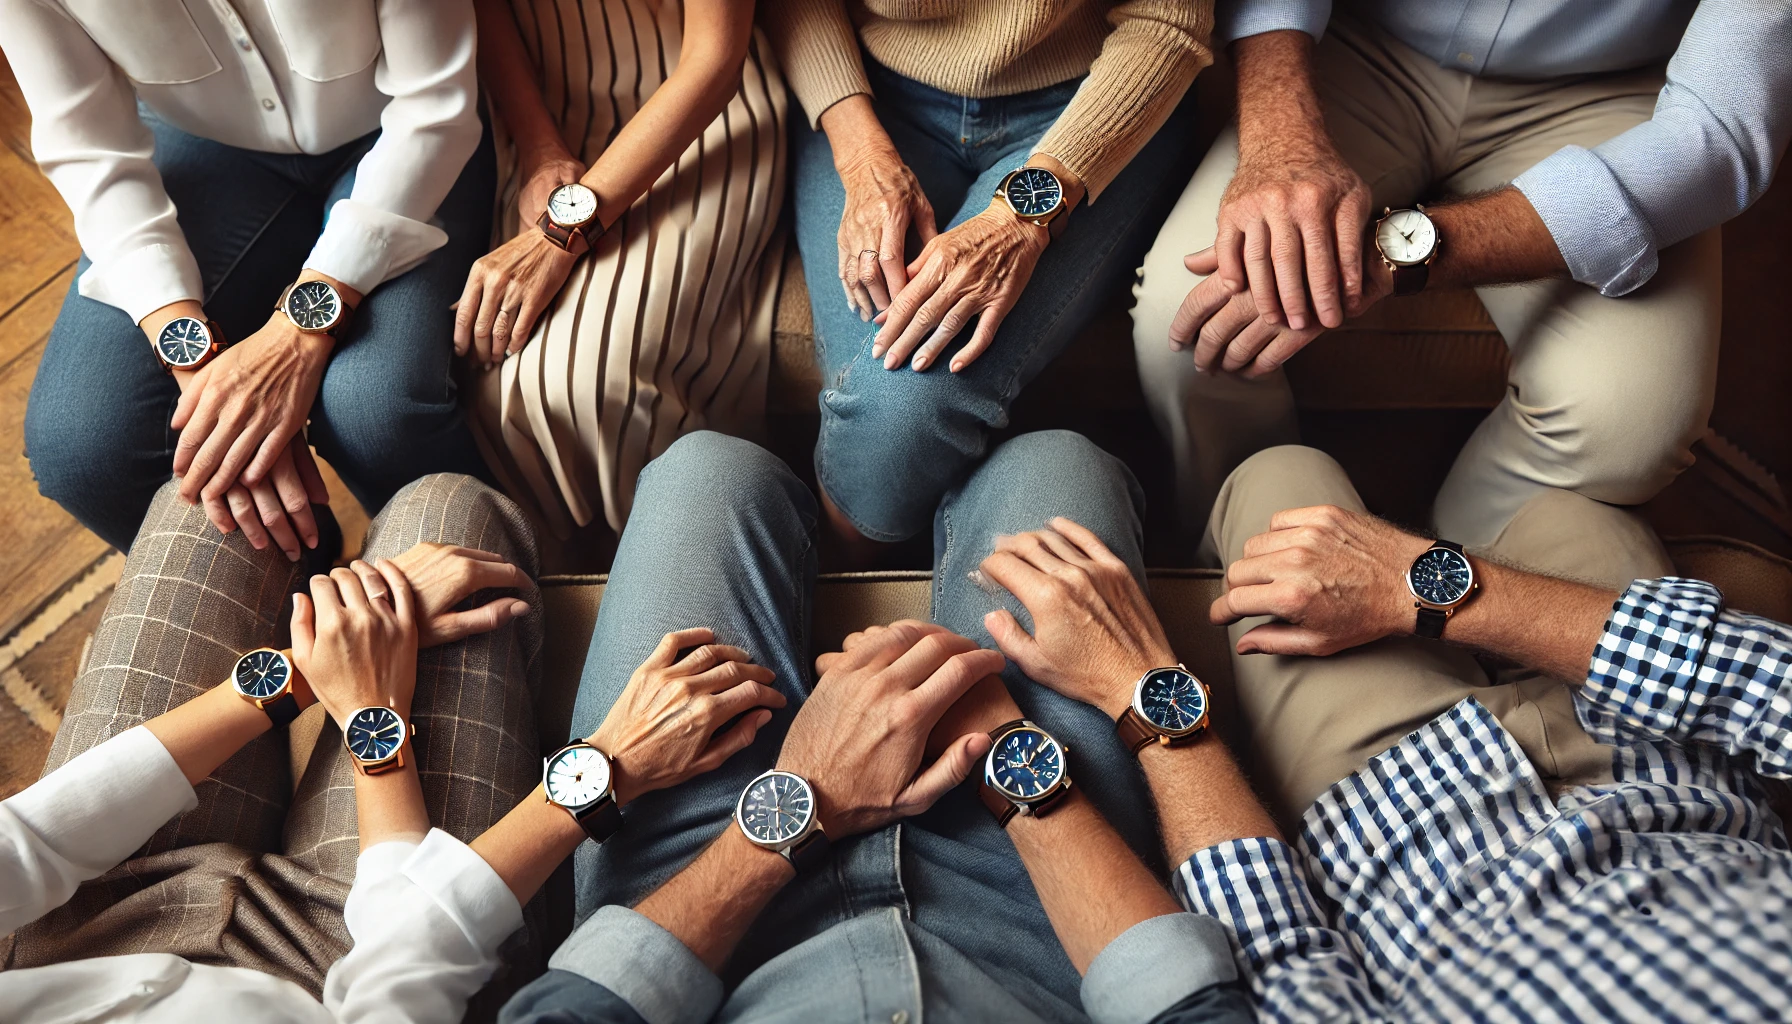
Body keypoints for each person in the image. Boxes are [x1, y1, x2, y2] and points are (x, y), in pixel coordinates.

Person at [986, 440, 1792, 1021]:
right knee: (1573, 507)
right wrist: (1427, 587)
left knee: (1282, 473)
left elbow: (1282, 965)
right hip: (1673, 757)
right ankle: (1439, 530)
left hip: (1405, 822)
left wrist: (1152, 694)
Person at [498, 430, 1258, 1023]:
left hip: (704, 911)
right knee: (1054, 461)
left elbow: (573, 1007)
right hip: (1055, 917)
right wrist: (1015, 765)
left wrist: (805, 801)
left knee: (708, 471)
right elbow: (1190, 1004)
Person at [0, 467, 797, 1022]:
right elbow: (405, 979)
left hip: (72, 924)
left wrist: (307, 673)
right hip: (351, 976)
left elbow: (24, 843)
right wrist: (603, 772)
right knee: (447, 507)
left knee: (210, 494)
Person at [1131, 0, 1792, 548]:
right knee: (1187, 320)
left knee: (1632, 426)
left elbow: (1717, 136)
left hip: (1611, 90)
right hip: (1349, 44)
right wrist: (1280, 137)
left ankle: (1473, 571)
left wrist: (1393, 258)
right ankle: (1249, 540)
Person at [7, 0, 495, 558]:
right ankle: (313, 603)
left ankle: (498, 587)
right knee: (82, 449)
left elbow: (435, 105)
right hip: (207, 147)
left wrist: (297, 339)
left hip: (406, 127)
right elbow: (87, 151)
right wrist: (204, 372)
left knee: (377, 411)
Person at [764, 0, 1214, 556]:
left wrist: (1020, 218)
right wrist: (861, 157)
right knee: (882, 436)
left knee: (903, 411)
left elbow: (1168, 20)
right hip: (867, 95)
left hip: (1095, 98)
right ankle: (854, 565)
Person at [458, 0, 788, 536]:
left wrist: (559, 236)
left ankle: (681, 553)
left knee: (586, 384)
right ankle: (569, 572)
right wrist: (541, 148)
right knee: (496, 379)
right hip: (540, 106)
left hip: (698, 106)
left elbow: (715, 56)